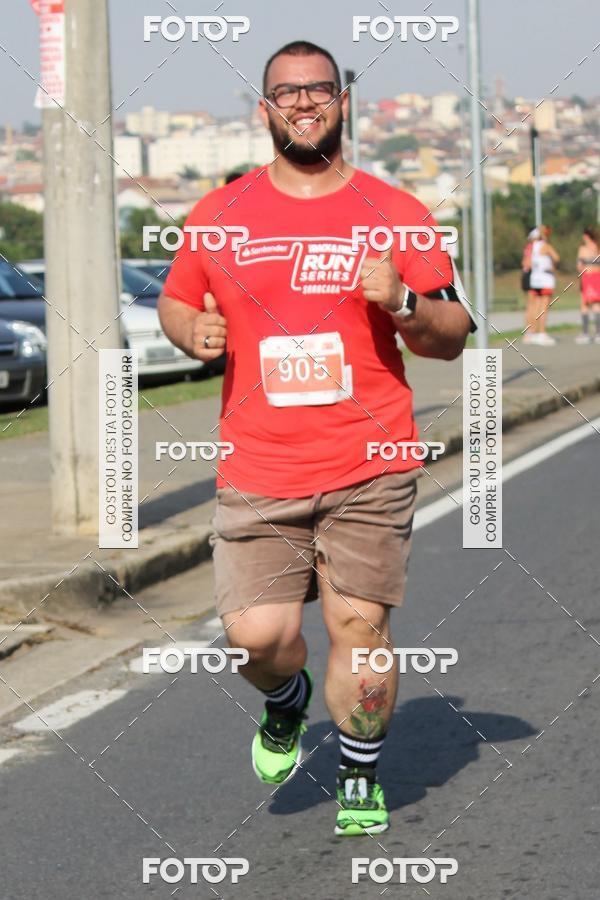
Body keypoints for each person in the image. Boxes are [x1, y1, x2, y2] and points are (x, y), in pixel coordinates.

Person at [158, 40, 476, 836]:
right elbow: (176, 300)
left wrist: (402, 299)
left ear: (343, 102)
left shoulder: (395, 212)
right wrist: (186, 328)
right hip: (259, 464)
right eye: (286, 92)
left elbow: (453, 332)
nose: (304, 103)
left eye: (320, 90)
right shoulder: (219, 215)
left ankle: (359, 773)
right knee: (258, 637)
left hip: (370, 460)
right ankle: (285, 700)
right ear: (264, 109)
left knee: (357, 626)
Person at [526, 225, 559, 345]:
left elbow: (529, 262)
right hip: (545, 279)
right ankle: (542, 333)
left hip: (535, 279)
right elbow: (556, 257)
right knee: (544, 308)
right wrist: (551, 265)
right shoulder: (546, 246)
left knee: (535, 307)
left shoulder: (533, 246)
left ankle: (532, 332)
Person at [575, 226, 600, 344]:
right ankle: (598, 334)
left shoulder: (583, 248)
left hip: (588, 277)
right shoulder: (597, 247)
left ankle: (585, 333)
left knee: (584, 304)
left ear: (585, 235)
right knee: (596, 305)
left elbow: (580, 265)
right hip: (598, 277)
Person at [521, 228, 537, 341]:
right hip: (531, 275)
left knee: (531, 305)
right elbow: (527, 263)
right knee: (533, 305)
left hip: (527, 275)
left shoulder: (528, 246)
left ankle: (530, 331)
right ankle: (531, 331)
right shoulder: (532, 247)